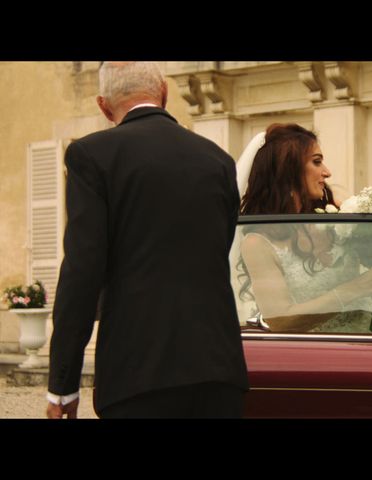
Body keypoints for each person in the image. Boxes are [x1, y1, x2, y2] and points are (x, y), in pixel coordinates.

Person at [46, 62, 248, 419]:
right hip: (219, 370)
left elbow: (82, 272)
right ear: (165, 94)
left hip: (137, 374)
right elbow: (221, 248)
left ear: (103, 106)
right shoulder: (218, 160)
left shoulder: (92, 156)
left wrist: (63, 385)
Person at [236, 124, 372, 333]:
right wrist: (355, 289)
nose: (327, 172)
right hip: (322, 350)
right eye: (316, 162)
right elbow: (279, 321)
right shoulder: (257, 243)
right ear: (288, 170)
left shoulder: (336, 220)